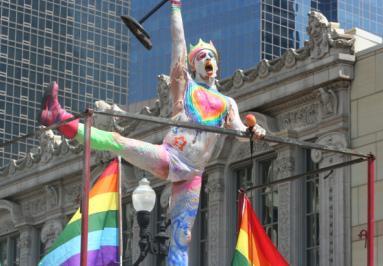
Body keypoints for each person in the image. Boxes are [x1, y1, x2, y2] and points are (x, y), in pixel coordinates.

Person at [39, 0, 265, 265]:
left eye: (211, 56)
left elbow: (239, 130)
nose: (207, 59)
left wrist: (254, 130)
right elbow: (179, 44)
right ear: (192, 66)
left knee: (183, 237)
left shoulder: (228, 104)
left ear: (217, 64)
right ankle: (60, 118)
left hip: (193, 173)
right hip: (169, 157)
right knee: (117, 141)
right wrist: (176, 8)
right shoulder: (185, 88)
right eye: (201, 56)